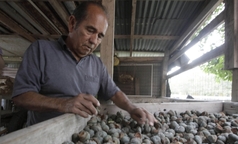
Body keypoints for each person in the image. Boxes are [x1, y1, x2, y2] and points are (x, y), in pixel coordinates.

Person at [12, 2, 157, 126]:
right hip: (42, 138)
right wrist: (63, 104)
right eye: (90, 30)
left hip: (82, 138)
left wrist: (131, 108)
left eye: (100, 36)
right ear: (72, 23)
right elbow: (21, 96)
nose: (94, 41)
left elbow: (115, 93)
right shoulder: (41, 50)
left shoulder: (97, 64)